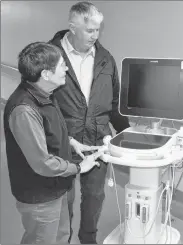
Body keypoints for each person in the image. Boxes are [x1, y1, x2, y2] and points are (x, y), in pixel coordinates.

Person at [3, 42, 102, 244]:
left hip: (56, 187)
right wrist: (78, 167)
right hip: (40, 195)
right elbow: (42, 163)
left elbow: (50, 130)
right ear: (46, 74)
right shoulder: (24, 109)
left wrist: (72, 142)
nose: (66, 68)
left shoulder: (46, 93)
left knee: (61, 237)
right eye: (62, 65)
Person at [49, 2, 130, 243]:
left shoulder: (105, 58)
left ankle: (88, 239)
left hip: (97, 139)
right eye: (90, 30)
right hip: (63, 140)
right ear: (72, 27)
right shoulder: (50, 56)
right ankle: (62, 239)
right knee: (64, 199)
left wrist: (128, 134)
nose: (95, 36)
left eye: (98, 30)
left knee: (94, 197)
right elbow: (43, 103)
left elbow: (115, 102)